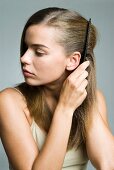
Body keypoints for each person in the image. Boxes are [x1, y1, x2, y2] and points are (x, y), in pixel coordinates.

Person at [0, 7, 114, 170]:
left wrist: (86, 97)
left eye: (39, 52)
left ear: (73, 60)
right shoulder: (9, 101)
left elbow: (108, 164)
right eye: (26, 48)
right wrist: (65, 109)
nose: (24, 58)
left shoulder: (96, 98)